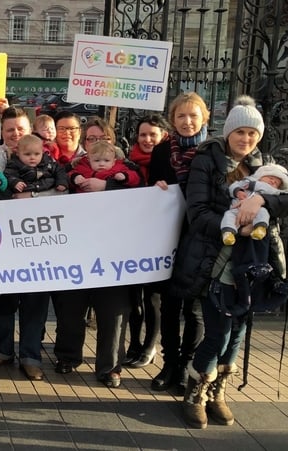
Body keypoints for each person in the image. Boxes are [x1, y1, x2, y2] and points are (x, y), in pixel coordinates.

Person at [173, 95, 288, 429]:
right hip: (215, 260)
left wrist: (260, 200)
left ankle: (218, 392)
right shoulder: (206, 160)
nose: (246, 139)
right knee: (218, 333)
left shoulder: (266, 163)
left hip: (253, 263)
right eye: (240, 132)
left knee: (238, 331)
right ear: (228, 133)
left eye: (252, 133)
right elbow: (198, 213)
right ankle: (195, 392)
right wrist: (238, 228)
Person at [50, 117, 132, 388]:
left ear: (112, 141)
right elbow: (60, 186)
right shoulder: (73, 167)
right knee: (71, 307)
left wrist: (107, 186)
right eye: (91, 139)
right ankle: (67, 356)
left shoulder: (126, 166)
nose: (97, 143)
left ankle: (110, 367)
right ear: (85, 142)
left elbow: (139, 189)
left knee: (113, 311)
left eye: (103, 138)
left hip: (114, 251)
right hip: (77, 249)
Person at [150, 92, 211, 393]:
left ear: (204, 118)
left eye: (193, 116)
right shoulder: (162, 151)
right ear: (172, 120)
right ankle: (170, 364)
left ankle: (187, 364)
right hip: (169, 238)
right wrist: (156, 187)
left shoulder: (212, 151)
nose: (187, 122)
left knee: (194, 310)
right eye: (181, 116)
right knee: (170, 306)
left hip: (200, 239)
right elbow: (150, 191)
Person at [123, 114, 172, 369]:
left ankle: (150, 346)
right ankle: (134, 343)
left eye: (153, 134)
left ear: (164, 136)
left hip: (157, 239)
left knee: (152, 297)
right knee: (133, 298)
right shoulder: (129, 163)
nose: (147, 139)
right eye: (143, 134)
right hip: (132, 236)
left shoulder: (169, 163)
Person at [221, 163, 288, 245]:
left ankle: (260, 228)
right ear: (261, 176)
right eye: (271, 178)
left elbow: (271, 191)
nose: (272, 181)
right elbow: (234, 185)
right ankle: (228, 233)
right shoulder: (247, 180)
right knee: (228, 215)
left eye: (276, 183)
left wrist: (254, 186)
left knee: (263, 213)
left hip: (256, 211)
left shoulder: (271, 190)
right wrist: (237, 191)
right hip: (236, 208)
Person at [4, 134, 68, 198]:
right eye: (27, 154)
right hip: (26, 193)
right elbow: (8, 175)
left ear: (42, 152)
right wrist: (15, 182)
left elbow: (60, 171)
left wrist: (61, 182)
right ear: (18, 153)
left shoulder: (48, 162)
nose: (32, 157)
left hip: (48, 191)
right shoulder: (14, 164)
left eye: (37, 154)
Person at [69, 140, 142, 192]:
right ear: (89, 160)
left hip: (110, 200)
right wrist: (75, 177)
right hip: (85, 200)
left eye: (106, 160)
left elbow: (135, 178)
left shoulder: (119, 168)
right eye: (97, 160)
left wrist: (125, 176)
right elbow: (70, 174)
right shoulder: (83, 168)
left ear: (113, 161)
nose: (101, 164)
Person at [0, 106, 31, 172]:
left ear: (30, 131)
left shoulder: (41, 153)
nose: (16, 133)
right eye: (10, 130)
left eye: (20, 129)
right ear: (2, 133)